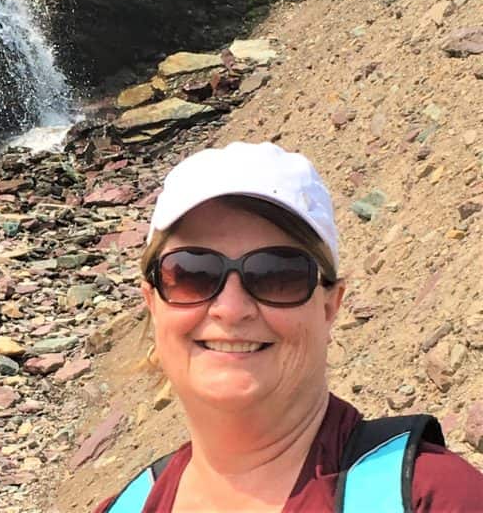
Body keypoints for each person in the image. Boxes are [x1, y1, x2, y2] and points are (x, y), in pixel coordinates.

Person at [92, 142, 483, 513]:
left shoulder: (436, 498)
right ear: (152, 302)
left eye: (278, 274)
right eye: (194, 272)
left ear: (330, 306)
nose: (231, 309)